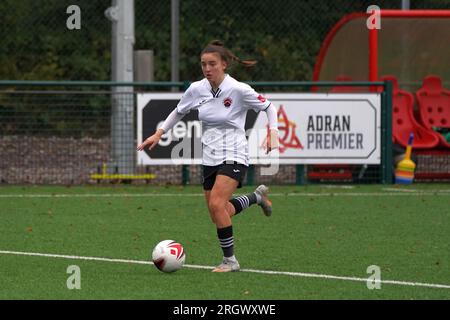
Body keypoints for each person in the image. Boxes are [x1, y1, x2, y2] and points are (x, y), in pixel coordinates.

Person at [137, 40, 279, 272]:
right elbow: (179, 111)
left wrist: (273, 133)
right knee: (218, 213)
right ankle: (256, 198)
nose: (207, 68)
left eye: (212, 63)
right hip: (210, 157)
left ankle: (230, 261)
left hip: (234, 153)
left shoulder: (239, 90)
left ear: (224, 64)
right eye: (203, 64)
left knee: (216, 204)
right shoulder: (197, 88)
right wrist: (158, 133)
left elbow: (269, 107)